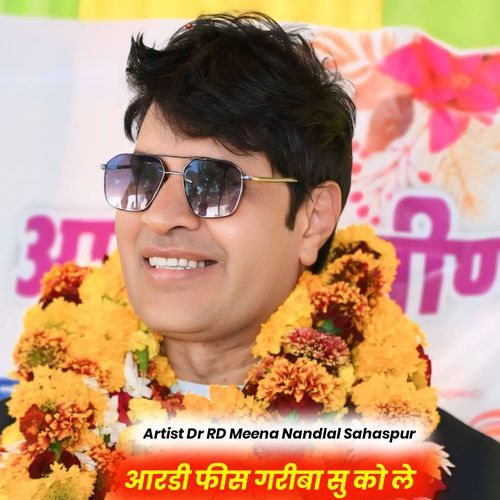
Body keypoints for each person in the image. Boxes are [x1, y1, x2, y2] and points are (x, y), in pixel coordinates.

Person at [1, 12, 498, 499]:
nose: (160, 216)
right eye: (145, 175)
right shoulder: (25, 444)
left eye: (214, 183)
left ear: (313, 219)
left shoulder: (455, 477)